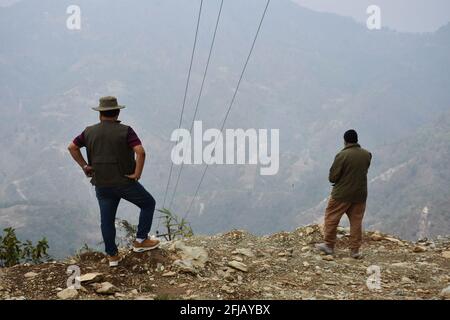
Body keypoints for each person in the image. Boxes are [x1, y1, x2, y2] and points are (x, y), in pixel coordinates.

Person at [68, 96, 160, 267]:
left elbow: (72, 147)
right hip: (124, 182)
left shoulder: (88, 131)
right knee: (148, 203)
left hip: (101, 184)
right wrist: (137, 173)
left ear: (100, 114)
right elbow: (140, 152)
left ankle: (112, 256)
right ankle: (140, 241)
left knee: (107, 220)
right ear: (117, 112)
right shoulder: (126, 131)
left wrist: (85, 166)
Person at [315, 129, 372, 259]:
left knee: (331, 218)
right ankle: (355, 251)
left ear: (345, 141)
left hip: (341, 194)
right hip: (360, 194)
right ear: (356, 140)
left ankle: (329, 245)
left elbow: (333, 177)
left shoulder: (342, 155)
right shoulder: (367, 154)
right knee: (356, 222)